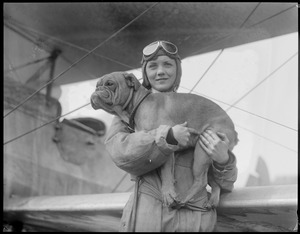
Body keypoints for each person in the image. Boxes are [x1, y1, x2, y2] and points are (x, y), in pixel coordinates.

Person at [105, 40, 238, 232]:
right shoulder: (127, 114)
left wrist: (223, 159)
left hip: (196, 219)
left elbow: (226, 185)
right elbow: (121, 153)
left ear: (177, 71)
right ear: (145, 74)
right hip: (150, 217)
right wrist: (166, 136)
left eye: (168, 64)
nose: (160, 71)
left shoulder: (195, 110)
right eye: (153, 66)